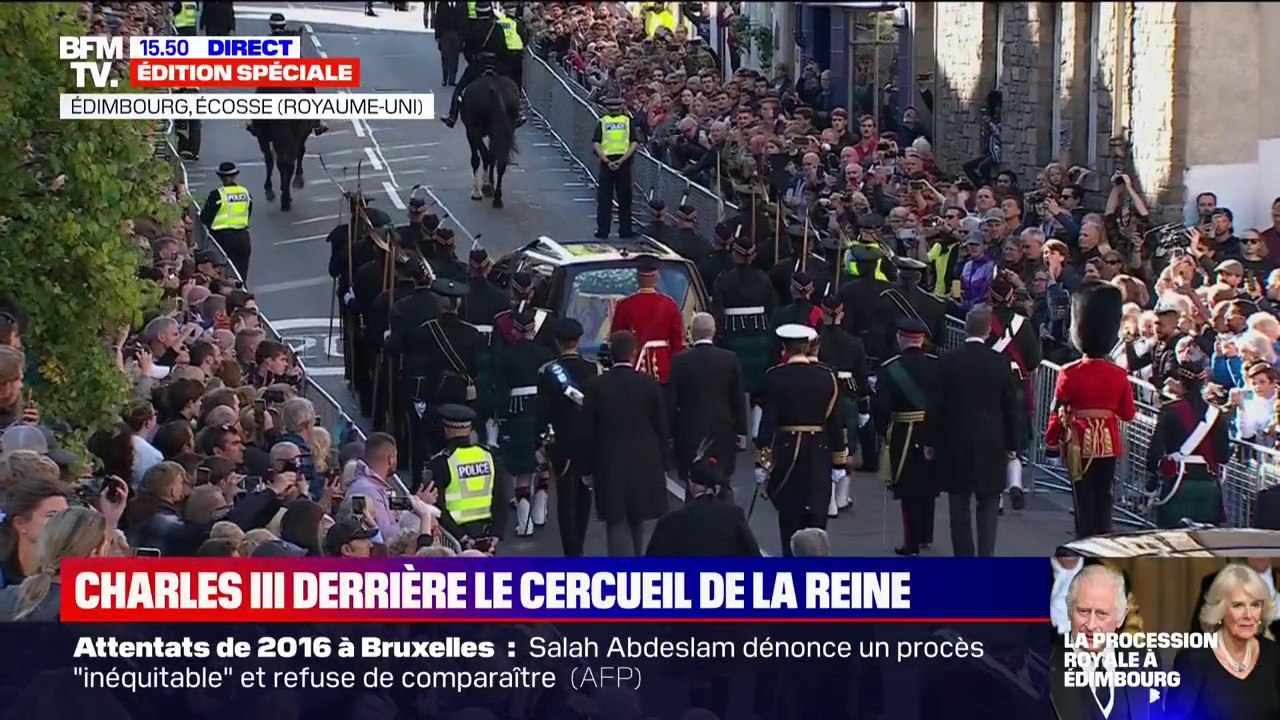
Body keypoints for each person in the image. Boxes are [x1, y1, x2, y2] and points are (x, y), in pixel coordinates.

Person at [1045, 281, 1139, 538]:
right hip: (1107, 443)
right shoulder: (1118, 374)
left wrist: (1051, 442)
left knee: (1082, 497)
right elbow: (1128, 414)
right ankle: (1102, 537)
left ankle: (1083, 539)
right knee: (1103, 495)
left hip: (1077, 441)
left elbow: (1058, 409)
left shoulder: (1069, 372)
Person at [929, 305, 1019, 557]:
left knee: (958, 505)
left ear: (966, 328)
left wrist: (930, 440)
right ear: (989, 330)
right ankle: (985, 557)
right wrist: (1013, 445)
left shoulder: (948, 360)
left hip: (955, 441)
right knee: (989, 504)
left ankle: (964, 558)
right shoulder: (1000, 363)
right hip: (991, 442)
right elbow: (1010, 408)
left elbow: (936, 404)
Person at [755, 324, 847, 557]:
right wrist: (839, 461)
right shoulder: (827, 377)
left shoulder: (774, 377)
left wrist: (762, 462)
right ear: (808, 347)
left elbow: (768, 424)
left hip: (787, 454)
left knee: (789, 520)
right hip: (819, 454)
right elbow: (835, 424)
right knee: (816, 521)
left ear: (785, 348)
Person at [578, 331, 670, 557]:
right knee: (637, 518)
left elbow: (587, 431)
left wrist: (586, 468)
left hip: (609, 461)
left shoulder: (596, 386)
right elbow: (662, 426)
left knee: (616, 520)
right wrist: (664, 462)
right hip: (644, 460)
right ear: (634, 352)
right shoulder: (648, 384)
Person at [1165, 564, 1280, 720]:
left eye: (1255, 605)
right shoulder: (1193, 660)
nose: (1248, 615)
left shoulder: (1274, 655)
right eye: (1238, 605)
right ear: (1220, 610)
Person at [1049, 564, 1158, 720]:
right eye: (1083, 611)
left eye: (1102, 614)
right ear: (1069, 611)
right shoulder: (1043, 666)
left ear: (1121, 616)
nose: (1091, 625)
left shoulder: (1146, 661)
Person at [534, 318, 600, 557]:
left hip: (562, 441)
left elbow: (542, 412)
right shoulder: (594, 369)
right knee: (585, 495)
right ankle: (579, 543)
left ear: (557, 341)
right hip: (588, 441)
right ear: (579, 340)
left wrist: (540, 443)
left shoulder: (549, 371)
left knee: (565, 499)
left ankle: (572, 552)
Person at [873, 318, 939, 556]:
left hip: (904, 431)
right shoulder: (936, 365)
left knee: (908, 486)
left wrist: (882, 431)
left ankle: (911, 542)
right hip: (933, 428)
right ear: (922, 340)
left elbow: (881, 406)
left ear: (901, 338)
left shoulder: (890, 368)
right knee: (929, 482)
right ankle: (926, 534)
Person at [1145, 362, 1228, 528]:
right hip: (1208, 485)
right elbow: (1224, 455)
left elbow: (1155, 452)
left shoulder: (1169, 411)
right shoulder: (1217, 414)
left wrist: (1151, 482)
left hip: (1177, 484)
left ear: (1180, 382)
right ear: (1203, 383)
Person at [493, 307, 554, 536]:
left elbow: (500, 389)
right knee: (543, 460)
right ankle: (540, 510)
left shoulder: (506, 357)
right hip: (542, 411)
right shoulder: (546, 354)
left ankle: (524, 522)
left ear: (516, 331)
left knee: (521, 468)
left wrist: (498, 415)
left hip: (516, 412)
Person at [667, 313, 746, 485]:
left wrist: (670, 433)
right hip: (722, 429)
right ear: (714, 331)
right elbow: (737, 397)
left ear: (691, 332)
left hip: (689, 429)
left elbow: (672, 401)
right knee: (721, 481)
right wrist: (741, 430)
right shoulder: (730, 359)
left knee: (692, 483)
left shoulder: (679, 361)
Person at [986, 274, 1042, 510]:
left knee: (992, 437)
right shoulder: (1023, 323)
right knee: (1013, 437)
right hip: (1016, 382)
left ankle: (996, 497)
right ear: (1012, 298)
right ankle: (1016, 484)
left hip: (989, 382)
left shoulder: (982, 320)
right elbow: (1033, 360)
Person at [712, 236, 778, 436]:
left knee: (733, 386)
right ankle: (756, 429)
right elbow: (772, 309)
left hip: (733, 337)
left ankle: (738, 433)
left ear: (735, 254)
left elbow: (718, 311)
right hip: (759, 337)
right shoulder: (764, 278)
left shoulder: (723, 279)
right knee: (759, 387)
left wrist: (719, 335)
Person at [425, 404, 508, 552]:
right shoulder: (489, 456)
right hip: (486, 537)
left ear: (446, 430)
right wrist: (497, 534)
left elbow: (437, 506)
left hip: (455, 540)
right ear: (470, 430)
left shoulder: (441, 462)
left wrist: (462, 538)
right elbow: (501, 498)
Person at [816, 294, 870, 512]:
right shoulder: (854, 343)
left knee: (825, 446)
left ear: (822, 312)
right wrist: (864, 406)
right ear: (842, 314)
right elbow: (862, 378)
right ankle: (842, 496)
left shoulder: (815, 339)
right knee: (847, 447)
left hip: (822, 397)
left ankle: (829, 499)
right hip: (846, 398)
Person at [645, 457, 760, 557]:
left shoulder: (669, 522)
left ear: (691, 485)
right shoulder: (735, 516)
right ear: (718, 488)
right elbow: (754, 558)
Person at [609, 255, 684, 383]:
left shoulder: (625, 305)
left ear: (637, 278)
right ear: (657, 277)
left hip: (634, 364)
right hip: (663, 365)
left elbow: (617, 338)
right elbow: (677, 341)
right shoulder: (669, 304)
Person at [440, 1, 510, 128]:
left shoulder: (472, 28)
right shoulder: (497, 27)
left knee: (459, 89)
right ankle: (518, 114)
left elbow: (467, 50)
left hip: (478, 64)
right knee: (512, 86)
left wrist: (473, 62)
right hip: (496, 64)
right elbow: (503, 49)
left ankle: (452, 115)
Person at [592, 95, 640, 239]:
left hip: (607, 164)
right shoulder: (627, 121)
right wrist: (621, 160)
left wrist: (607, 161)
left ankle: (603, 230)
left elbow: (596, 143)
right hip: (623, 163)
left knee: (604, 199)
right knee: (625, 199)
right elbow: (634, 143)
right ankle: (625, 230)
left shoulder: (602, 122)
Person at [198, 162, 253, 279]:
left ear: (221, 177)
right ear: (235, 176)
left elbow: (205, 217)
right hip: (243, 237)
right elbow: (248, 212)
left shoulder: (217, 195)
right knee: (241, 274)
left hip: (222, 239)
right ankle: (241, 293)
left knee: (222, 274)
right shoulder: (245, 192)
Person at [435, 0, 469, 87]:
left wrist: (464, 36)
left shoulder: (462, 4)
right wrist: (438, 35)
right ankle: (445, 78)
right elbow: (437, 20)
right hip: (445, 34)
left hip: (457, 34)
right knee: (445, 57)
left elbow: (465, 21)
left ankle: (452, 79)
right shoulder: (441, 5)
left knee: (455, 58)